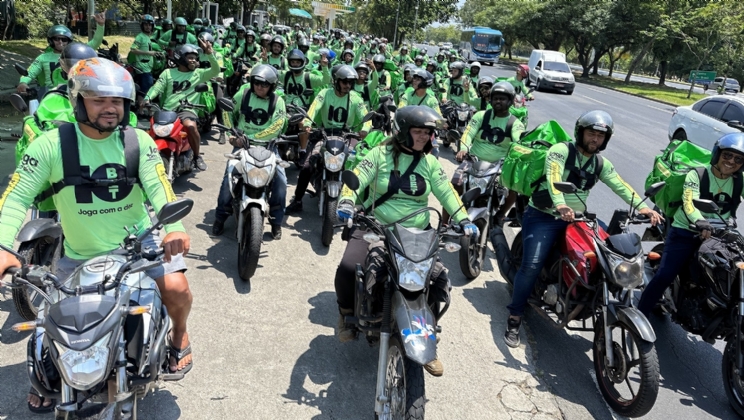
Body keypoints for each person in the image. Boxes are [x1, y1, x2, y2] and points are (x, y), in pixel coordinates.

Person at [0, 57, 194, 413]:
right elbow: (16, 197)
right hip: (78, 254)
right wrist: (1, 246)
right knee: (48, 327)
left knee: (178, 290)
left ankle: (179, 338)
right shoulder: (49, 145)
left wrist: (174, 229)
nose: (110, 108)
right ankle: (48, 377)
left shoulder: (140, 142)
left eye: (117, 101)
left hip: (140, 246)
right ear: (78, 101)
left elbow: (160, 188)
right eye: (99, 99)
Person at [333, 106, 479, 377]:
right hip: (378, 227)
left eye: (428, 133)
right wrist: (347, 200)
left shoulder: (430, 162)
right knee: (349, 267)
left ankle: (427, 340)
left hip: (418, 234)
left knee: (434, 280)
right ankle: (346, 314)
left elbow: (446, 192)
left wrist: (463, 219)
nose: (425, 137)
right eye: (418, 132)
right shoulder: (379, 154)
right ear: (402, 132)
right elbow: (357, 178)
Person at [503, 110, 663, 348]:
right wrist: (560, 205)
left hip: (578, 219)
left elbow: (619, 184)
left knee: (609, 255)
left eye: (600, 136)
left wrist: (644, 208)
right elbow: (553, 178)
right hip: (544, 215)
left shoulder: (600, 163)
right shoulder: (559, 151)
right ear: (580, 132)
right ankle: (515, 317)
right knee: (531, 265)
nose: (595, 139)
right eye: (591, 133)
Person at [638, 134, 744, 317]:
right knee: (665, 275)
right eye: (727, 155)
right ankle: (638, 316)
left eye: (738, 159)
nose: (731, 161)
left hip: (720, 235)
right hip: (687, 231)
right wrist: (699, 221)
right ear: (717, 154)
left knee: (733, 274)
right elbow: (689, 202)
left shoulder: (739, 180)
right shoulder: (698, 174)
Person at [212, 65, 288, 238]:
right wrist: (233, 134)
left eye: (265, 84)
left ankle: (276, 222)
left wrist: (251, 136)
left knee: (281, 180)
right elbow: (228, 111)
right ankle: (220, 217)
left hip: (268, 146)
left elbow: (277, 125)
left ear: (272, 86)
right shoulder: (243, 94)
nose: (260, 87)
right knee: (229, 178)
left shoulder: (278, 101)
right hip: (242, 145)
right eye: (257, 83)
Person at [285, 65, 372, 214]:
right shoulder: (325, 93)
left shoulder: (356, 98)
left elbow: (365, 115)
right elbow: (314, 108)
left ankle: (358, 203)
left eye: (350, 82)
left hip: (346, 135)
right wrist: (307, 123)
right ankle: (297, 200)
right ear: (336, 81)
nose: (347, 85)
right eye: (344, 82)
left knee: (356, 165)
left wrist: (365, 128)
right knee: (307, 166)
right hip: (324, 133)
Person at [444, 81, 524, 223]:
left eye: (503, 98)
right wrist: (463, 149)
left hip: (499, 166)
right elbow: (468, 133)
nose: (498, 101)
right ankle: (443, 224)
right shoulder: (480, 116)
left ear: (511, 101)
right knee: (453, 186)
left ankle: (500, 215)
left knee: (513, 189)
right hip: (473, 160)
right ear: (490, 99)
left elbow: (519, 143)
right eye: (495, 97)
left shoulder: (515, 124)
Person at [144, 38, 219, 171]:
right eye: (190, 57)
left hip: (187, 110)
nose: (194, 61)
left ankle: (196, 157)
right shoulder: (168, 73)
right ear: (180, 58)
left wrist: (210, 53)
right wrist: (147, 98)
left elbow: (216, 70)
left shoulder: (199, 74)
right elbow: (157, 87)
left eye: (195, 58)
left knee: (190, 126)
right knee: (149, 130)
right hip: (168, 110)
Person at [17, 13, 107, 97]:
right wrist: (23, 83)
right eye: (57, 39)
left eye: (64, 39)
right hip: (49, 95)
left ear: (69, 41)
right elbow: (29, 73)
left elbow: (95, 42)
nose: (60, 42)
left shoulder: (76, 53)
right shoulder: (43, 58)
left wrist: (100, 25)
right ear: (51, 40)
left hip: (74, 94)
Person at [130, 14, 163, 95]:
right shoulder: (140, 37)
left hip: (147, 69)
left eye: (149, 25)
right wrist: (148, 53)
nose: (148, 27)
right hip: (143, 69)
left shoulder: (147, 37)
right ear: (142, 25)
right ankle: (141, 107)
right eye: (146, 25)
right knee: (144, 93)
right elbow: (133, 49)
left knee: (146, 91)